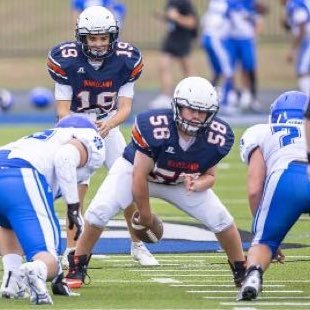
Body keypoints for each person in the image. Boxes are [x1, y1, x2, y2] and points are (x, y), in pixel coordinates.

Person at [64, 76, 246, 289]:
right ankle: (77, 264)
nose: (196, 117)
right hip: (137, 172)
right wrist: (146, 215)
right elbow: (139, 176)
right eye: (191, 110)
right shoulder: (155, 127)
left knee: (222, 219)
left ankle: (241, 270)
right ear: (177, 106)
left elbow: (211, 176)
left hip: (178, 182)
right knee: (98, 212)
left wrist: (198, 185)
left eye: (202, 111)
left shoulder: (218, 137)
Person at [47, 5, 158, 267]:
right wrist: (82, 130)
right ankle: (72, 249)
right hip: (74, 126)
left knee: (130, 183)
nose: (98, 44)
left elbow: (125, 108)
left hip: (108, 125)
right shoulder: (67, 60)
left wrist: (109, 124)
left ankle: (138, 245)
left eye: (103, 38)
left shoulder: (126, 60)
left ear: (112, 37)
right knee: (77, 188)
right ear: (82, 37)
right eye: (93, 38)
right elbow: (62, 112)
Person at [0, 114, 105, 304]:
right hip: (22, 175)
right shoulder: (88, 136)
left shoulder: (43, 138)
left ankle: (12, 279)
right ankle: (38, 270)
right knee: (47, 256)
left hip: (6, 165)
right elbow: (65, 157)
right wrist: (73, 207)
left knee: (7, 222)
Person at [237, 90, 309, 301]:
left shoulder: (261, 131)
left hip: (288, 178)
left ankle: (253, 275)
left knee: (263, 242)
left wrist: (264, 233)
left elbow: (254, 188)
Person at [149, 0, 198, 109]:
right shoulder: (171, 2)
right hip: (172, 36)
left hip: (182, 38)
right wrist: (163, 16)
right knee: (163, 66)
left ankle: (195, 94)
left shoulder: (184, 3)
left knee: (187, 69)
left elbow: (192, 22)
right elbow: (171, 19)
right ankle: (166, 96)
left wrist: (177, 17)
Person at [284, 0, 310, 97]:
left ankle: (308, 103)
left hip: (308, 41)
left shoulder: (295, 4)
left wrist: (293, 50)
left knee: (302, 71)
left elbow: (302, 27)